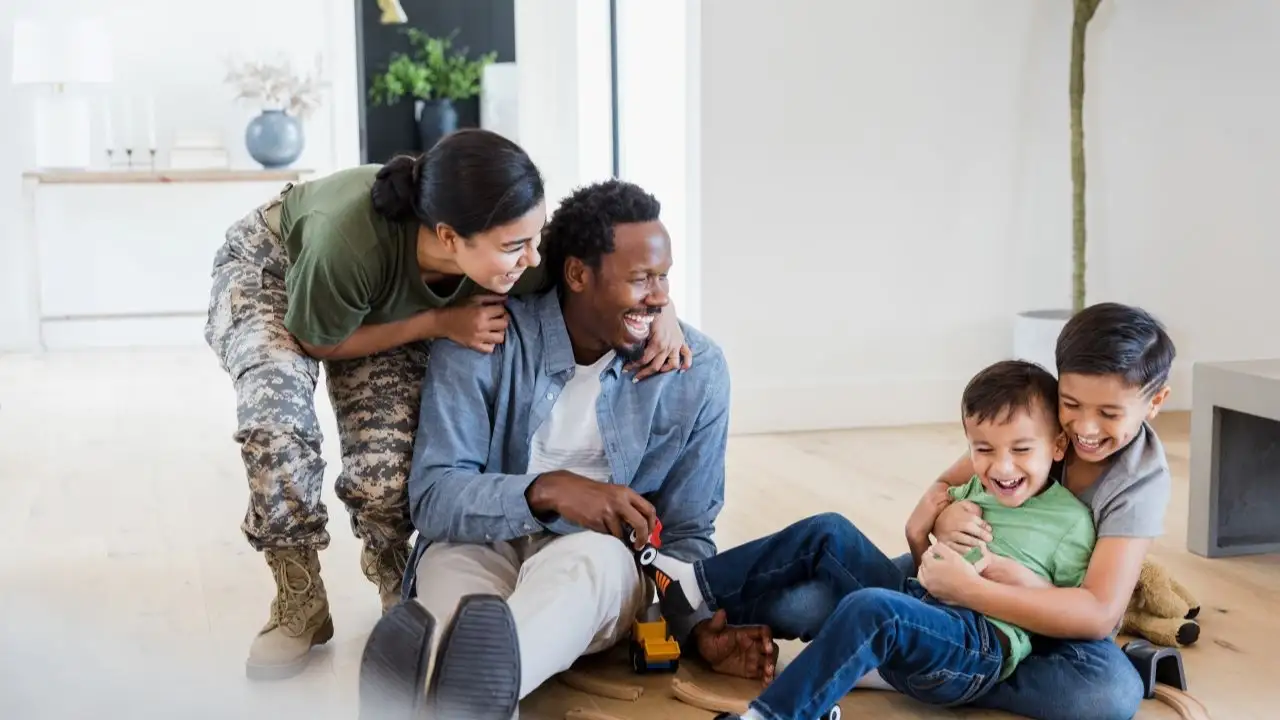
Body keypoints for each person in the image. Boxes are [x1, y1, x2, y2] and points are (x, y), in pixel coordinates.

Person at [203, 130, 692, 680]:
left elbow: (609, 271)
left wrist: (663, 308)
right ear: (448, 237)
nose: (533, 259)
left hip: (390, 299)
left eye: (535, 239)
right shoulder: (345, 238)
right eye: (517, 248)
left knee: (389, 470)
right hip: (280, 274)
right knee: (277, 424)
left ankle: (396, 577)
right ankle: (299, 598)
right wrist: (438, 322)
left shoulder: (517, 242)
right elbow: (320, 340)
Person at [398, 179, 773, 716]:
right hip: (478, 539)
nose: (661, 296)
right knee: (465, 610)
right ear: (577, 274)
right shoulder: (483, 339)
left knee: (581, 572)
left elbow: (688, 533)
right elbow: (435, 498)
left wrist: (694, 631)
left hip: (596, 556)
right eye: (641, 279)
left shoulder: (695, 371)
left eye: (664, 277)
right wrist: (549, 490)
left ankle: (449, 693)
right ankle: (465, 690)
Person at [641, 360, 1096, 719]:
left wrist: (1010, 586)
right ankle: (694, 586)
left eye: (1021, 450)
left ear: (1057, 446)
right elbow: (927, 544)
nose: (1001, 467)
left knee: (871, 608)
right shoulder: (974, 488)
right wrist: (934, 523)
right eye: (983, 449)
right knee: (830, 530)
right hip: (922, 604)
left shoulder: (1071, 523)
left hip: (976, 647)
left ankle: (775, 715)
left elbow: (1068, 614)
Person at [902, 302, 1175, 720]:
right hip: (971, 570)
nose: (1083, 428)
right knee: (803, 603)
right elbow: (946, 486)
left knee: (1111, 693)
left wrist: (973, 593)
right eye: (1072, 403)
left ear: (1155, 401)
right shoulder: (1041, 419)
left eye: (1108, 413)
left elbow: (1100, 614)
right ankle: (918, 651)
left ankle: (922, 663)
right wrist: (946, 516)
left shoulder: (1140, 483)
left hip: (1047, 614)